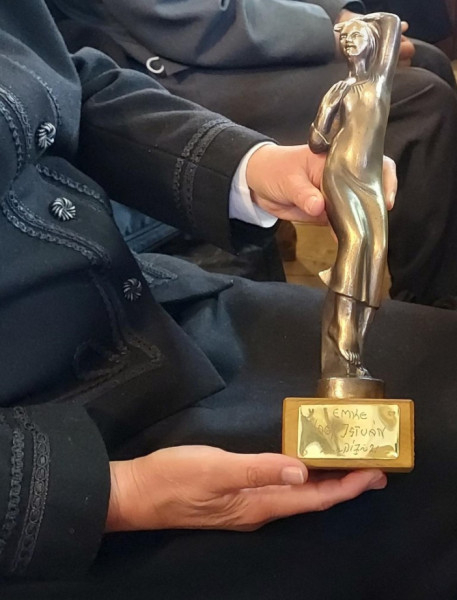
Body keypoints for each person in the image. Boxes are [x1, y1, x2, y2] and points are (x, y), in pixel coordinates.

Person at [3, 3, 457, 599]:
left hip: (139, 307)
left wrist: (247, 167)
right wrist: (107, 495)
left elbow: (66, 81)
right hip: (56, 461)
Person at [47, 0, 457, 307]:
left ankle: (427, 303)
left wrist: (334, 11)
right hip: (161, 64)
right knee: (420, 101)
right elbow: (176, 17)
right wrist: (329, 29)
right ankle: (432, 310)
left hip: (212, 38)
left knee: (427, 61)